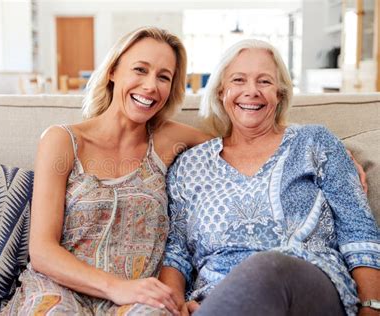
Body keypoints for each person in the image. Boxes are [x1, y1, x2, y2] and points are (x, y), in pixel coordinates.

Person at [0, 27, 212, 316]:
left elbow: (237, 156)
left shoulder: (168, 140)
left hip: (136, 298)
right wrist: (114, 286)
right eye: (140, 69)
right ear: (113, 71)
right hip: (60, 288)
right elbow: (42, 251)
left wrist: (206, 291)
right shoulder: (63, 141)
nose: (151, 86)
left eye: (163, 77)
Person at [159, 39, 379, 316]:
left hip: (307, 284)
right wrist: (176, 305)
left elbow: (358, 230)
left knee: (267, 267)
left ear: (280, 94)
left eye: (264, 82)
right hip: (217, 298)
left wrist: (372, 307)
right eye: (239, 80)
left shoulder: (315, 143)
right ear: (220, 92)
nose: (251, 91)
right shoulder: (189, 165)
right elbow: (177, 252)